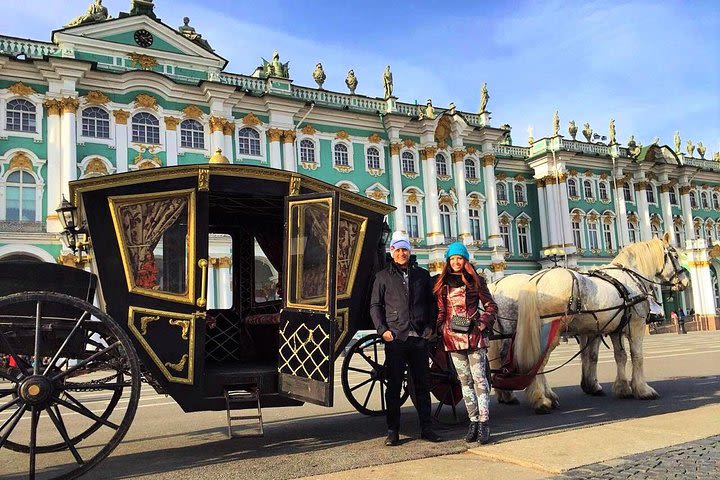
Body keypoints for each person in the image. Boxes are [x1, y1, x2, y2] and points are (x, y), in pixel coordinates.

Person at [370, 234, 441, 446]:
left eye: (405, 250)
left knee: (422, 384)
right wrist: (382, 330)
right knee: (393, 387)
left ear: (409, 251)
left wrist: (429, 327)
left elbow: (432, 305)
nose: (402, 253)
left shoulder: (422, 275)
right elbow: (375, 306)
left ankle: (426, 428)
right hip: (396, 339)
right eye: (398, 250)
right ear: (392, 252)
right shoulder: (383, 277)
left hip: (419, 338)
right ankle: (393, 431)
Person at [434, 242, 497, 444]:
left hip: (474, 337)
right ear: (448, 261)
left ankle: (484, 423)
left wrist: (481, 324)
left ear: (465, 260)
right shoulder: (443, 284)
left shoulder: (475, 281)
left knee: (480, 380)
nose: (456, 262)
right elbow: (442, 312)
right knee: (465, 382)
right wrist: (438, 330)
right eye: (452, 259)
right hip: (453, 338)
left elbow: (490, 306)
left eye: (459, 258)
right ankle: (473, 421)